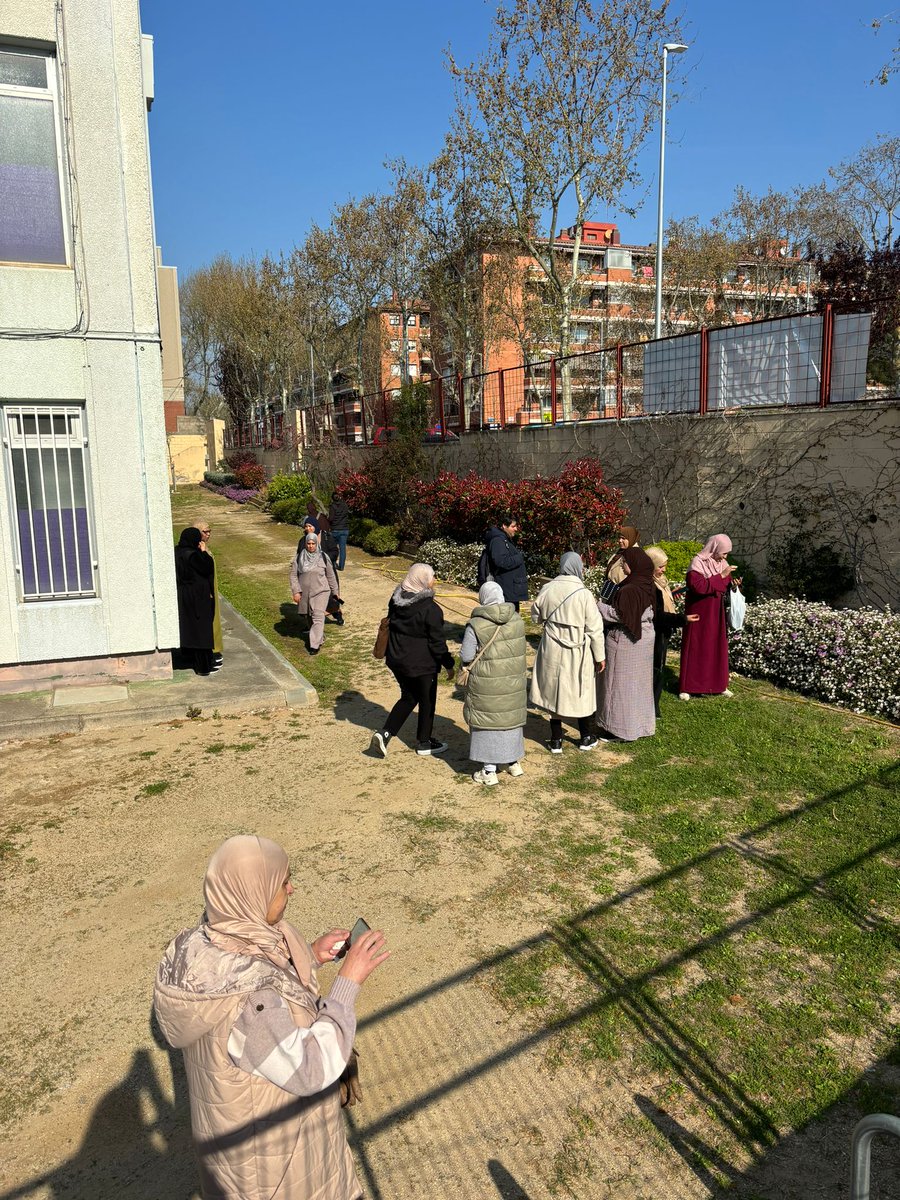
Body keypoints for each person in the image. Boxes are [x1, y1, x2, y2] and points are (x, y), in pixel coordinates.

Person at [153, 834, 388, 1200]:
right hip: (274, 1165)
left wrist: (309, 955)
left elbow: (263, 972)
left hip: (238, 1138)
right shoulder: (248, 1003)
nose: (292, 889)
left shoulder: (212, 941)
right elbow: (310, 1068)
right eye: (283, 882)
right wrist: (347, 984)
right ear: (252, 892)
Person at [371, 563, 454, 757]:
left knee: (409, 696)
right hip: (421, 663)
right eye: (432, 576)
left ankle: (385, 733)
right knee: (427, 700)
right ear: (423, 580)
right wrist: (448, 664)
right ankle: (424, 743)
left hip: (396, 658)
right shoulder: (431, 609)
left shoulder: (395, 600)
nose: (434, 580)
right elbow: (437, 643)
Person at [530, 552, 606, 753]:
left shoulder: (548, 588)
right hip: (578, 649)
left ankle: (556, 740)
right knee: (581, 691)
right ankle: (586, 737)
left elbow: (535, 616)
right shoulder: (584, 594)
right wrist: (600, 656)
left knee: (554, 691)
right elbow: (595, 628)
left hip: (552, 647)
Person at [459, 581, 527, 786]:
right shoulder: (516, 620)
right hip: (512, 681)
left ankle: (489, 770)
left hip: (486, 683)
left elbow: (467, 655)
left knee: (487, 722)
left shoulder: (476, 624)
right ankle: (512, 762)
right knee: (509, 718)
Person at [595, 547, 657, 742]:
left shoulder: (630, 589)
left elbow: (621, 615)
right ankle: (640, 725)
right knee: (638, 685)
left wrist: (598, 606)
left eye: (625, 562)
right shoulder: (647, 584)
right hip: (645, 638)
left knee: (619, 685)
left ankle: (618, 729)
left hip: (626, 641)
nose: (622, 565)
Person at [678, 534, 740, 700]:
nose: (725, 557)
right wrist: (721, 576)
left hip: (715, 612)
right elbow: (698, 586)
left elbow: (724, 585)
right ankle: (688, 686)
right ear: (714, 548)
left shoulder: (722, 563)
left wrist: (732, 583)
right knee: (696, 645)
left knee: (715, 646)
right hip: (698, 611)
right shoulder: (697, 562)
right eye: (723, 553)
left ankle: (718, 684)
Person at [645, 545, 699, 718]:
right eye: (660, 566)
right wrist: (682, 619)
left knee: (659, 667)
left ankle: (654, 706)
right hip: (656, 632)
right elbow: (657, 615)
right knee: (655, 669)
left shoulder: (661, 581)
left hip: (663, 631)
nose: (664, 570)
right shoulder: (649, 585)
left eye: (664, 566)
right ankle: (651, 708)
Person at [290, 531, 341, 655]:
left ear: (317, 544)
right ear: (306, 544)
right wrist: (296, 591)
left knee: (318, 615)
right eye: (309, 543)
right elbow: (293, 576)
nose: (311, 546)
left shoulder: (323, 557)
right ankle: (319, 637)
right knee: (309, 617)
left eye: (313, 543)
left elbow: (331, 576)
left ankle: (314, 645)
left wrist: (335, 592)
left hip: (321, 592)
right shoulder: (299, 558)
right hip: (305, 593)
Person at [174, 527, 215, 676]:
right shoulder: (193, 555)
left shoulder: (177, 552)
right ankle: (203, 667)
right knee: (201, 631)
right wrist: (204, 552)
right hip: (198, 597)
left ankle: (187, 658)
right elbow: (207, 567)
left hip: (183, 596)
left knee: (188, 628)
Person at [482, 515, 528, 610]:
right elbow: (501, 561)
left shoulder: (504, 539)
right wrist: (519, 558)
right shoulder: (498, 540)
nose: (516, 529)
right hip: (506, 591)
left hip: (510, 590)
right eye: (513, 526)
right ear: (504, 526)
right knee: (509, 617)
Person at [195, 518, 223, 671]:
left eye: (210, 531)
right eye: (206, 531)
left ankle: (215, 649)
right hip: (205, 592)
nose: (209, 534)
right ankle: (210, 652)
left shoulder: (205, 547)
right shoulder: (198, 549)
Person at [328, 494, 351, 571]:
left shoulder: (332, 506)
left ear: (332, 499)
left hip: (335, 529)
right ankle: (341, 566)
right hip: (344, 529)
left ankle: (334, 563)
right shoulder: (345, 505)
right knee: (342, 549)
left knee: (333, 548)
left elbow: (331, 519)